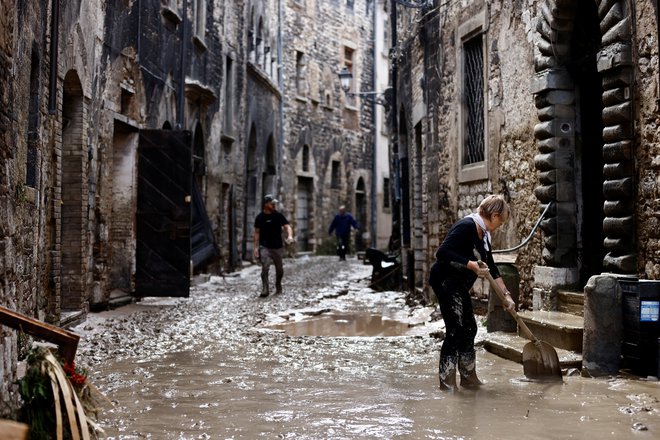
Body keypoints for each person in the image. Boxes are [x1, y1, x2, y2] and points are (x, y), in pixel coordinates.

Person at [428, 194, 516, 391]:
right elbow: (442, 253)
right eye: (500, 222)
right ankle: (447, 382)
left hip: (458, 285)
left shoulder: (484, 235)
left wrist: (506, 295)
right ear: (494, 216)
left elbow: (492, 267)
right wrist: (472, 265)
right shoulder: (466, 226)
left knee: (469, 328)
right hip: (444, 281)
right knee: (455, 329)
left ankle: (468, 377)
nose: (500, 226)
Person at [253, 194, 294, 297]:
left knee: (279, 270)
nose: (274, 205)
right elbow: (257, 232)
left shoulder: (278, 216)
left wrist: (290, 236)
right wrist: (255, 247)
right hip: (264, 246)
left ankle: (278, 284)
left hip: (277, 246)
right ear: (266, 204)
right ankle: (265, 289)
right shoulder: (259, 218)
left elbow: (287, 226)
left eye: (274, 204)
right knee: (265, 267)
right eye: (272, 204)